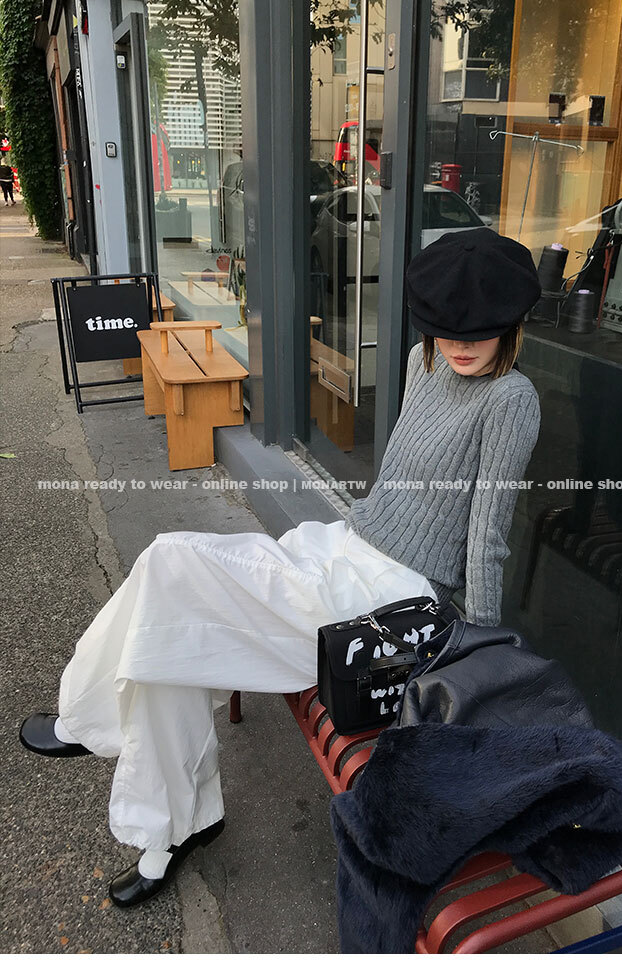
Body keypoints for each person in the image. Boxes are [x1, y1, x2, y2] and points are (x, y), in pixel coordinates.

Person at [19, 228, 542, 908]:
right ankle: (172, 817)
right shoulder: (425, 365)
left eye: (481, 330)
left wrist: (480, 651)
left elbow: (488, 536)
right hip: (344, 548)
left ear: (512, 324)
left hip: (395, 596)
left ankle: (113, 758)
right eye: (447, 328)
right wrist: (348, 537)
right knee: (168, 605)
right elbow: (397, 484)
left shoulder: (511, 399)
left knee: (173, 571)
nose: (462, 343)